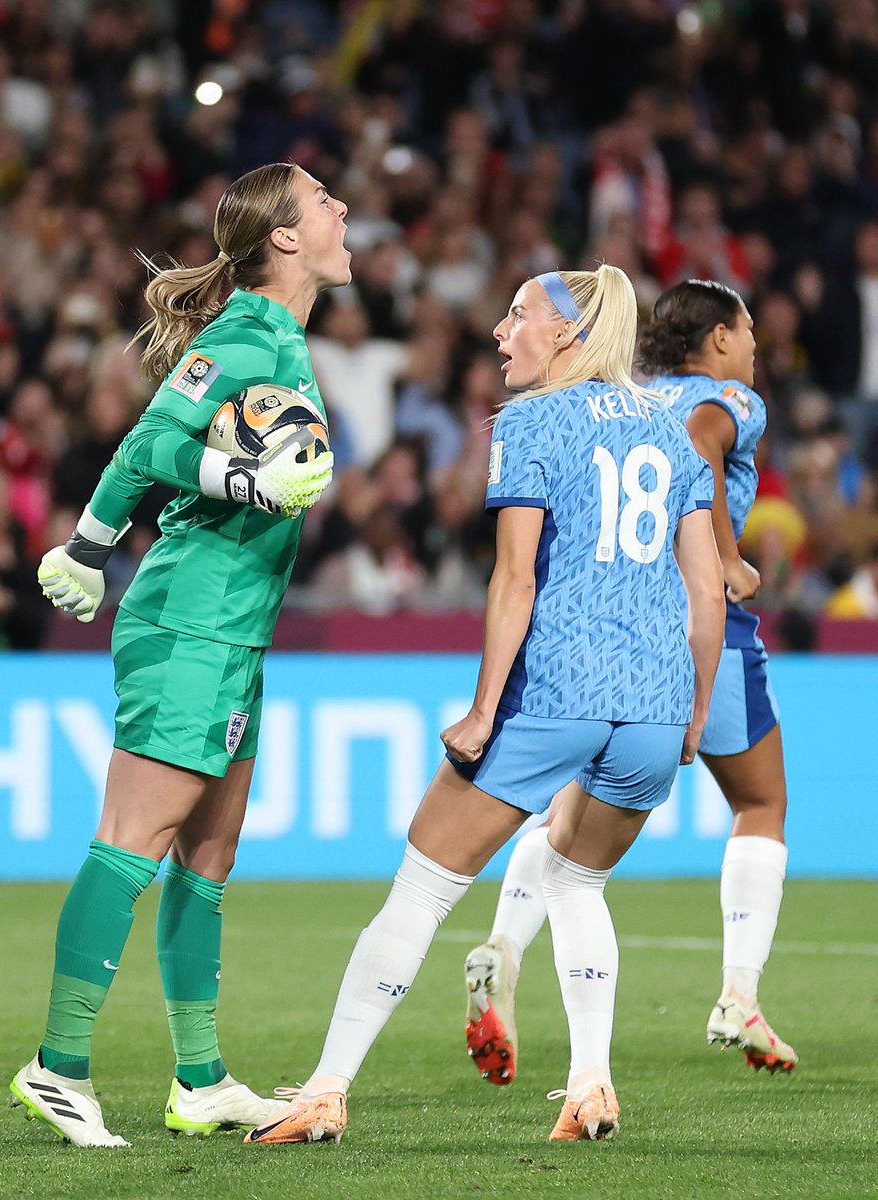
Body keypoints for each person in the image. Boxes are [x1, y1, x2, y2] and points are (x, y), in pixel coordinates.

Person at [243, 265, 725, 1146]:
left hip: (559, 690)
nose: (501, 333)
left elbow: (514, 579)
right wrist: (692, 714)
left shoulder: (533, 420)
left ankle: (324, 1090)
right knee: (577, 879)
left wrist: (481, 709)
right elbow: (708, 590)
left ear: (568, 335)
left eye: (518, 317)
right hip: (653, 701)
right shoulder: (680, 426)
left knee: (421, 890)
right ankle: (590, 1086)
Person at [9, 161, 350, 1147]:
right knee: (133, 838)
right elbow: (151, 446)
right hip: (188, 621)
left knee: (209, 856)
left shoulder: (280, 337)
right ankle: (58, 1065)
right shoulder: (245, 334)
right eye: (322, 200)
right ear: (283, 237)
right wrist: (89, 544)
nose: (341, 209)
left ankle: (199, 1079)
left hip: (236, 633)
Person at [462, 278, 798, 1097]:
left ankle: (504, 948)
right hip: (697, 628)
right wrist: (726, 557)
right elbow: (706, 439)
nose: (755, 345)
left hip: (610, 643)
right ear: (717, 338)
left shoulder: (626, 394)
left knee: (569, 823)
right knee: (760, 805)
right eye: (747, 328)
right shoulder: (730, 396)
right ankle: (739, 992)